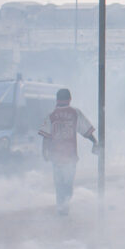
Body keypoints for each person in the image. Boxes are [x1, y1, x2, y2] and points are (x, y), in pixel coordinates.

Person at [38, 88, 97, 216]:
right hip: (70, 156)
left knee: (59, 184)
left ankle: (61, 208)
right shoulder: (75, 113)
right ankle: (65, 205)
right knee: (68, 183)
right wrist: (94, 141)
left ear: (57, 99)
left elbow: (46, 136)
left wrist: (44, 152)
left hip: (56, 157)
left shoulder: (51, 114)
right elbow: (86, 131)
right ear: (70, 99)